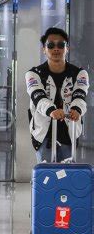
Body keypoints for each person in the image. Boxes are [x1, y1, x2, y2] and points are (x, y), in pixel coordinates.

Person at [26, 27, 89, 162]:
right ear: (44, 49)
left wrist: (76, 109)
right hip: (44, 136)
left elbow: (80, 95)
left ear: (67, 48)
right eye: (50, 45)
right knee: (46, 178)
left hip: (69, 134)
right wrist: (51, 110)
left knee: (67, 178)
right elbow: (38, 96)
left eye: (61, 45)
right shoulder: (34, 74)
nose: (56, 49)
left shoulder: (79, 73)